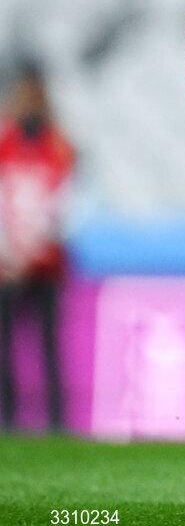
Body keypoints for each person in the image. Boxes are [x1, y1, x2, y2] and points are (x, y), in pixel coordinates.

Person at [0, 60, 75, 433]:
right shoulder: (5, 143)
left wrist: (29, 252)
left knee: (49, 344)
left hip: (45, 263)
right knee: (5, 346)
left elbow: (62, 206)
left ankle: (57, 422)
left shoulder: (59, 146)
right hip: (9, 263)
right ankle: (10, 420)